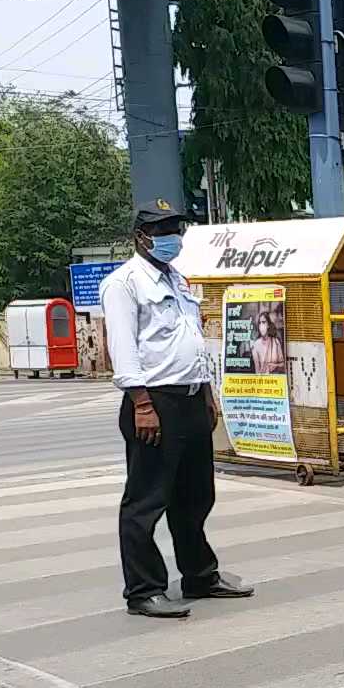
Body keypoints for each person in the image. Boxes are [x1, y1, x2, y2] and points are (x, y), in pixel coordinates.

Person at [100, 199, 253, 619]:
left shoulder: (179, 281)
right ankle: (144, 590)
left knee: (196, 495)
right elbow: (124, 347)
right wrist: (142, 404)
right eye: (162, 229)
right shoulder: (125, 283)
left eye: (175, 228)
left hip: (190, 399)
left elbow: (194, 341)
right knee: (146, 501)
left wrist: (207, 393)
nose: (171, 237)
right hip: (154, 402)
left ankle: (200, 575)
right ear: (140, 237)